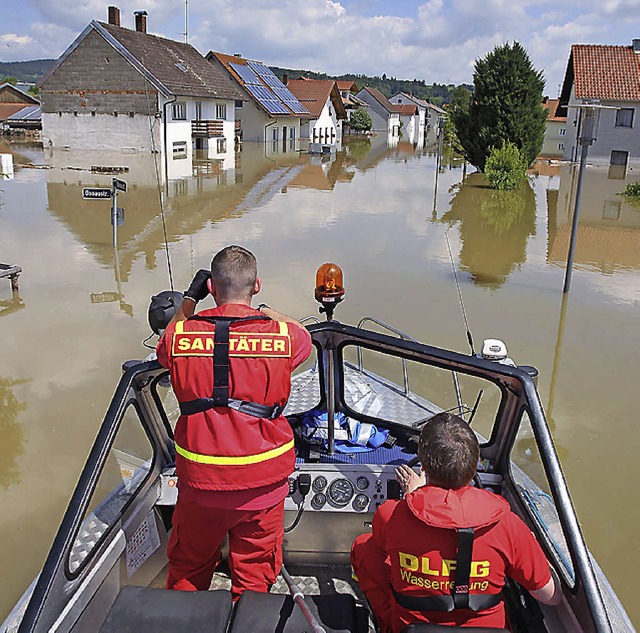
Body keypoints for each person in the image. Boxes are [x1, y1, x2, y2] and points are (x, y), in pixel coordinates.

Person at [156, 245, 312, 600]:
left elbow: (164, 345)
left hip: (200, 484)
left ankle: (184, 620)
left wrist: (190, 300)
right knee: (255, 579)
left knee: (187, 571)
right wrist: (264, 310)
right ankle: (246, 616)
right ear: (256, 285)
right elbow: (302, 335)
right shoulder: (281, 336)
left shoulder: (181, 335)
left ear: (211, 287)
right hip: (262, 485)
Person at [351, 412, 561, 631]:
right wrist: (531, 546)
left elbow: (390, 544)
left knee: (363, 547)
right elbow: (551, 596)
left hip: (410, 628)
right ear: (474, 466)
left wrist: (414, 496)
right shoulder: (508, 525)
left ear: (424, 465)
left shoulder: (391, 515)